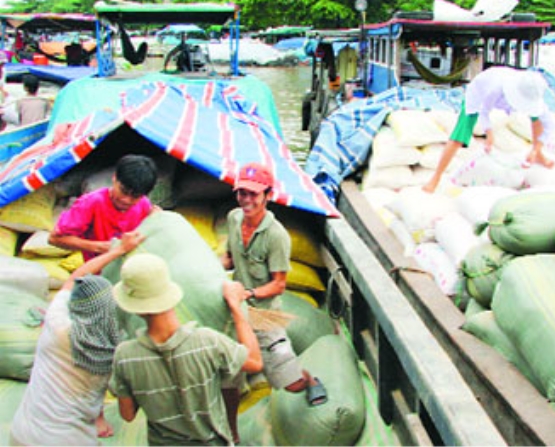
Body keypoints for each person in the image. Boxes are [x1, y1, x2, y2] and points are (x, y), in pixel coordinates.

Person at [110, 253, 263, 446]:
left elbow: (128, 414)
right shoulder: (207, 341)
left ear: (135, 309)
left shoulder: (124, 356)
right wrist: (236, 308)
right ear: (170, 294)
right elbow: (255, 362)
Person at [10, 231, 144, 446]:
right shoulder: (114, 351)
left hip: (23, 434)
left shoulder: (57, 326)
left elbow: (74, 278)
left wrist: (118, 250)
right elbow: (127, 410)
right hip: (70, 440)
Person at [221, 162, 328, 407]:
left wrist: (247, 293)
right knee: (228, 376)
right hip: (237, 308)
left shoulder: (277, 236)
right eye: (241, 193)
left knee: (289, 382)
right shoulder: (233, 218)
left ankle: (309, 380)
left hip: (265, 313)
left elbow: (278, 285)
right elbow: (228, 258)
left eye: (253, 194)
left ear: (268, 196)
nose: (246, 199)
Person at [422, 66, 555, 193]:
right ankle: (436, 177)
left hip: (502, 94)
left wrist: (536, 148)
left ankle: (538, 154)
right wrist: (489, 133)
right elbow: (484, 111)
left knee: (536, 119)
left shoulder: (534, 96)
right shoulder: (495, 88)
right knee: (460, 134)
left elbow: (548, 126)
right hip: (479, 92)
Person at [49, 154, 158, 262]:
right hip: (97, 272)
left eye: (135, 196)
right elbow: (54, 239)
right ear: (115, 178)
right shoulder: (91, 202)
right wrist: (101, 247)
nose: (126, 200)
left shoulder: (144, 205)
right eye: (123, 191)